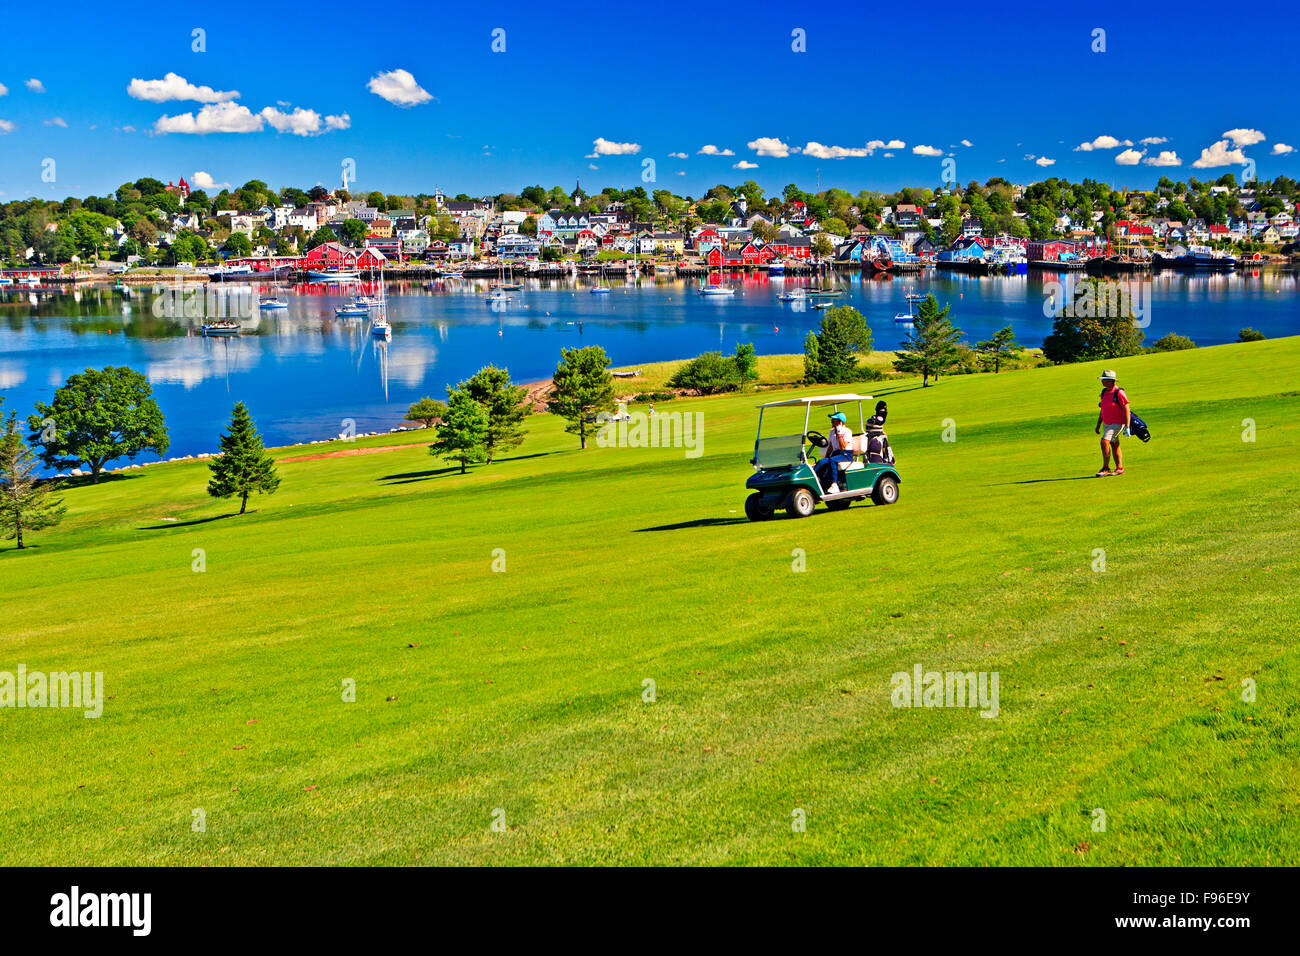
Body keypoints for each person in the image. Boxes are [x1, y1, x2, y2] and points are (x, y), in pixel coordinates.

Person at [1094, 370, 1131, 476]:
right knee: (1114, 444)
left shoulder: (1119, 392)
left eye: (1104, 380)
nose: (1102, 382)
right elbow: (1103, 410)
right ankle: (1120, 468)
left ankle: (1106, 468)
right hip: (1107, 423)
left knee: (1104, 441)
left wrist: (1127, 427)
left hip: (1117, 423)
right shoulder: (1104, 392)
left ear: (1111, 381)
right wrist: (1098, 424)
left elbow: (1126, 409)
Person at [814, 412, 854, 492]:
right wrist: (826, 457)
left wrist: (839, 435)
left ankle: (834, 484)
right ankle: (816, 480)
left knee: (833, 460)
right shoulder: (832, 432)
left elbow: (843, 447)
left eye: (833, 421)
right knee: (822, 462)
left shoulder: (847, 432)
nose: (832, 423)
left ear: (840, 422)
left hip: (846, 454)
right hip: (836, 454)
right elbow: (831, 446)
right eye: (832, 421)